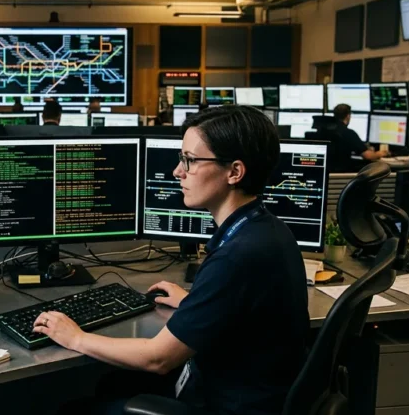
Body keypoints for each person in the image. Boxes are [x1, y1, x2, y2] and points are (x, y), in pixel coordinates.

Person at [34, 106, 309, 415]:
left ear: (234, 172)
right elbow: (244, 310)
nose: (178, 172)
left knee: (72, 410)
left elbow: (158, 358)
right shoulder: (266, 229)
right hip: (252, 392)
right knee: (112, 386)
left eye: (190, 161)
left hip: (227, 404)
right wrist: (195, 302)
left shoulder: (237, 257)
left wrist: (76, 338)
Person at [328, 104, 388, 171]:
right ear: (348, 116)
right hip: (341, 173)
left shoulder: (326, 130)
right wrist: (380, 153)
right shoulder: (348, 133)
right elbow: (368, 156)